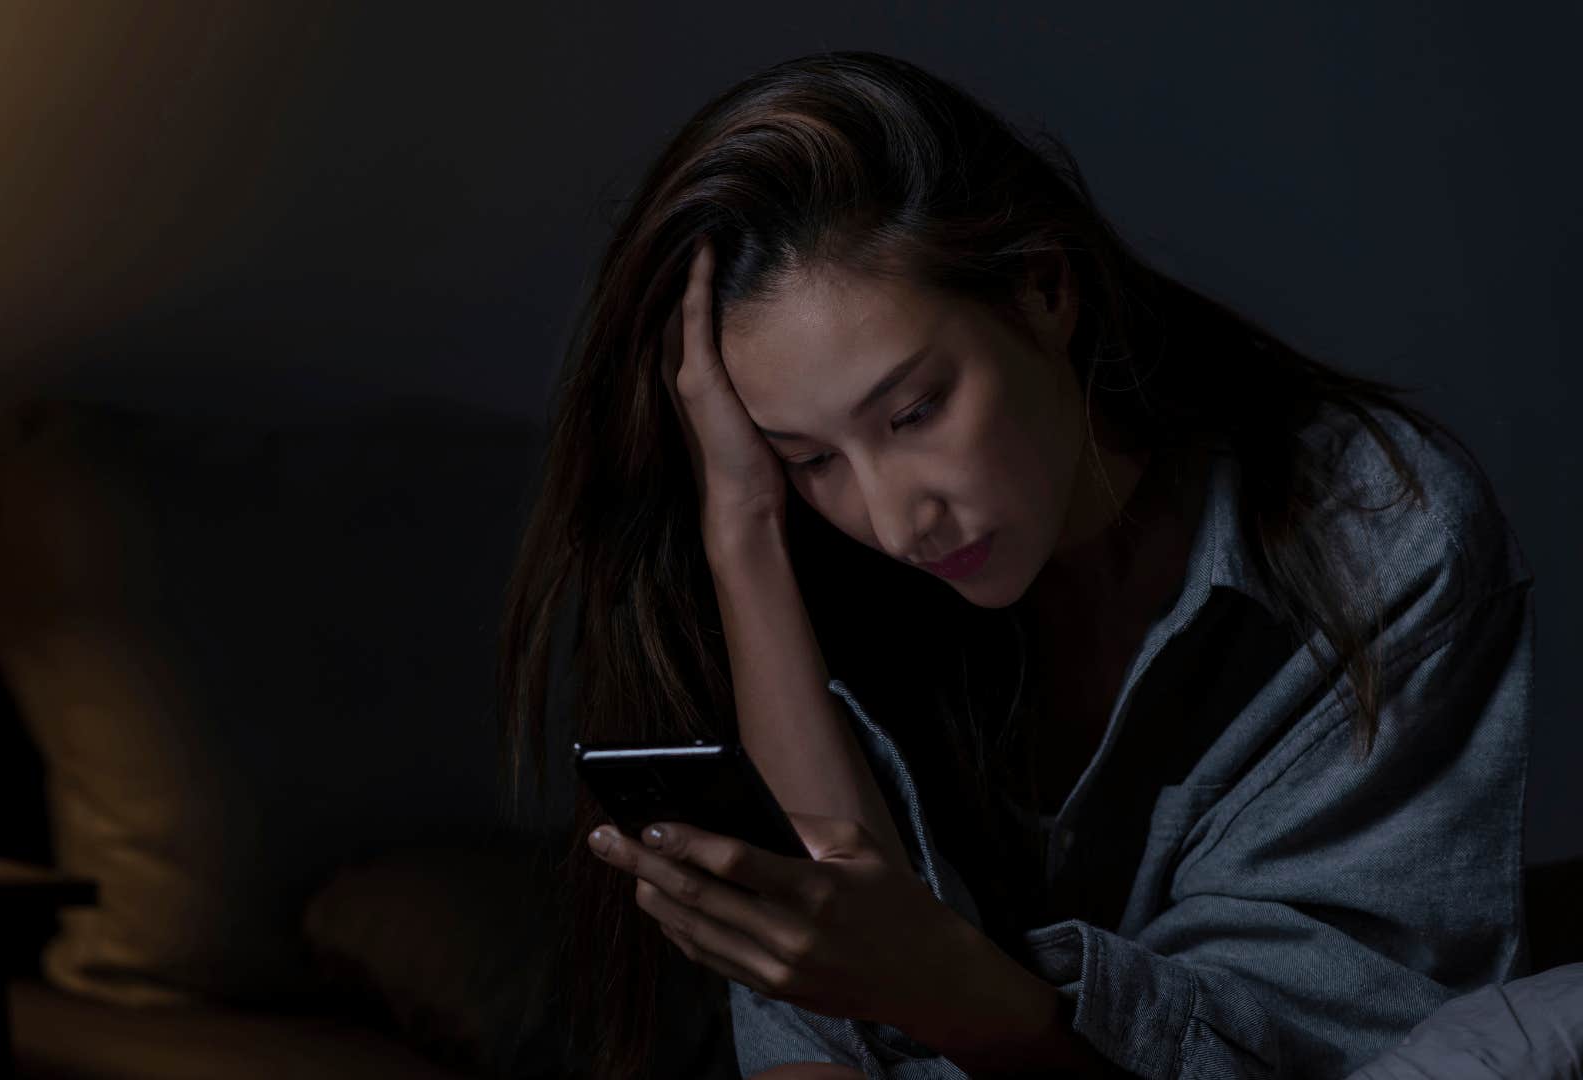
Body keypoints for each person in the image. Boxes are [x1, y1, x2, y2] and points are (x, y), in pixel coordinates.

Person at [494, 50, 1535, 1080]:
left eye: (913, 413)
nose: (896, 520)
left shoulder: (1382, 545)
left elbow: (1287, 1053)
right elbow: (819, 1022)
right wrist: (743, 530)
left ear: (1044, 289)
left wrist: (956, 993)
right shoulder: (817, 563)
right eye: (811, 458)